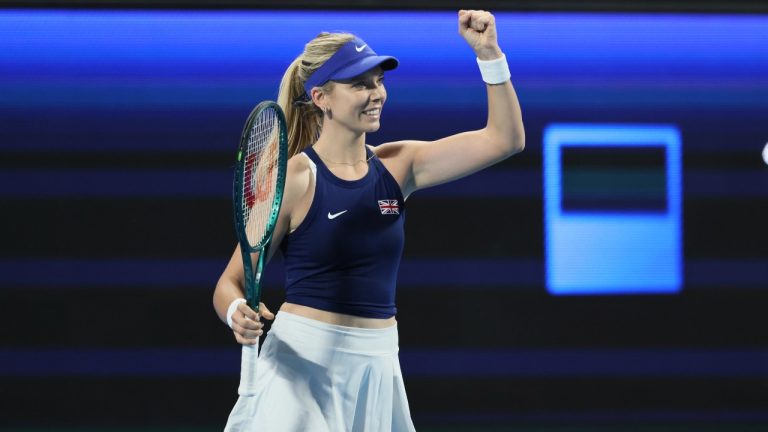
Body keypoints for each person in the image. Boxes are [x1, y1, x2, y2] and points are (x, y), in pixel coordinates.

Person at [213, 9, 524, 431]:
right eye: (360, 84)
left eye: (379, 81)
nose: (376, 93)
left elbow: (504, 139)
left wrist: (489, 54)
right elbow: (231, 281)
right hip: (300, 367)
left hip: (377, 365)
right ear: (321, 98)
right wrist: (235, 310)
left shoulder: (400, 165)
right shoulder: (294, 179)